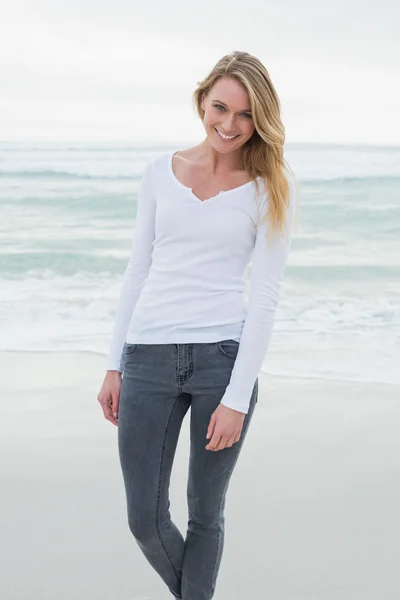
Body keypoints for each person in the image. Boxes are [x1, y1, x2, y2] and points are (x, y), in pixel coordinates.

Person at [97, 50, 298, 600]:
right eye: (220, 108)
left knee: (206, 516)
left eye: (245, 115)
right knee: (145, 518)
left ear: (260, 120)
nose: (229, 125)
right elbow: (138, 269)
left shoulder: (270, 187)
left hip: (222, 363)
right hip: (148, 357)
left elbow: (266, 298)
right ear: (201, 99)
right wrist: (114, 364)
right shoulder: (159, 173)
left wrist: (236, 397)